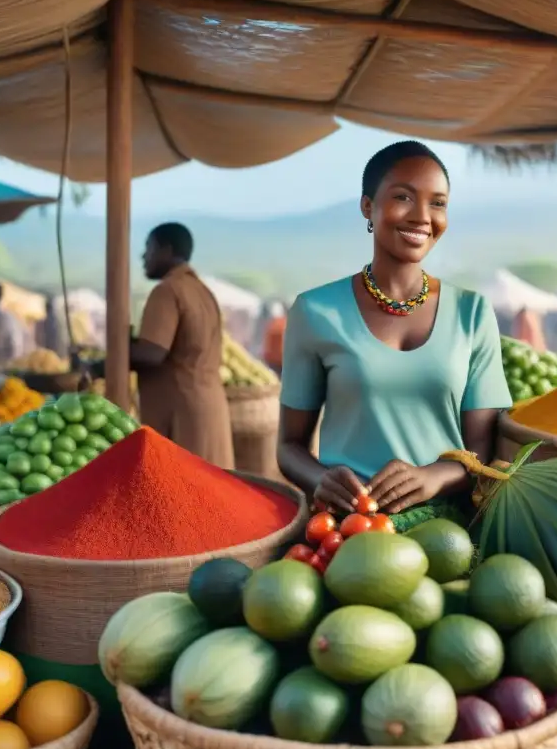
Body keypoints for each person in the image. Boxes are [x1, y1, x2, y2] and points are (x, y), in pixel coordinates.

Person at [278, 141, 511, 524]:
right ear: (368, 206)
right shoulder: (315, 311)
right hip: (348, 529)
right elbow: (289, 447)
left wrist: (432, 477)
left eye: (438, 203)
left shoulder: (473, 312)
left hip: (448, 534)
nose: (423, 216)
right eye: (403, 196)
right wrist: (322, 479)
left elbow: (482, 451)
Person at [131, 223, 234, 468]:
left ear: (166, 250)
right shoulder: (202, 291)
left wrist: (106, 362)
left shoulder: (167, 291)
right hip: (210, 408)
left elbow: (152, 354)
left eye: (149, 248)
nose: (143, 256)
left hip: (182, 415)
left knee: (183, 494)